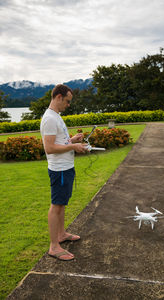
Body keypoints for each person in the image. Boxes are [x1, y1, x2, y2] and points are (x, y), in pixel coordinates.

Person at [40, 84, 87, 261]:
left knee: (62, 203)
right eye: (67, 101)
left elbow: (59, 141)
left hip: (65, 168)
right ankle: (54, 246)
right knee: (56, 205)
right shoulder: (50, 118)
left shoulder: (56, 116)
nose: (68, 105)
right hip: (59, 169)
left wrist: (72, 140)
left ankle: (61, 234)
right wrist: (73, 146)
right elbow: (50, 148)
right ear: (58, 97)